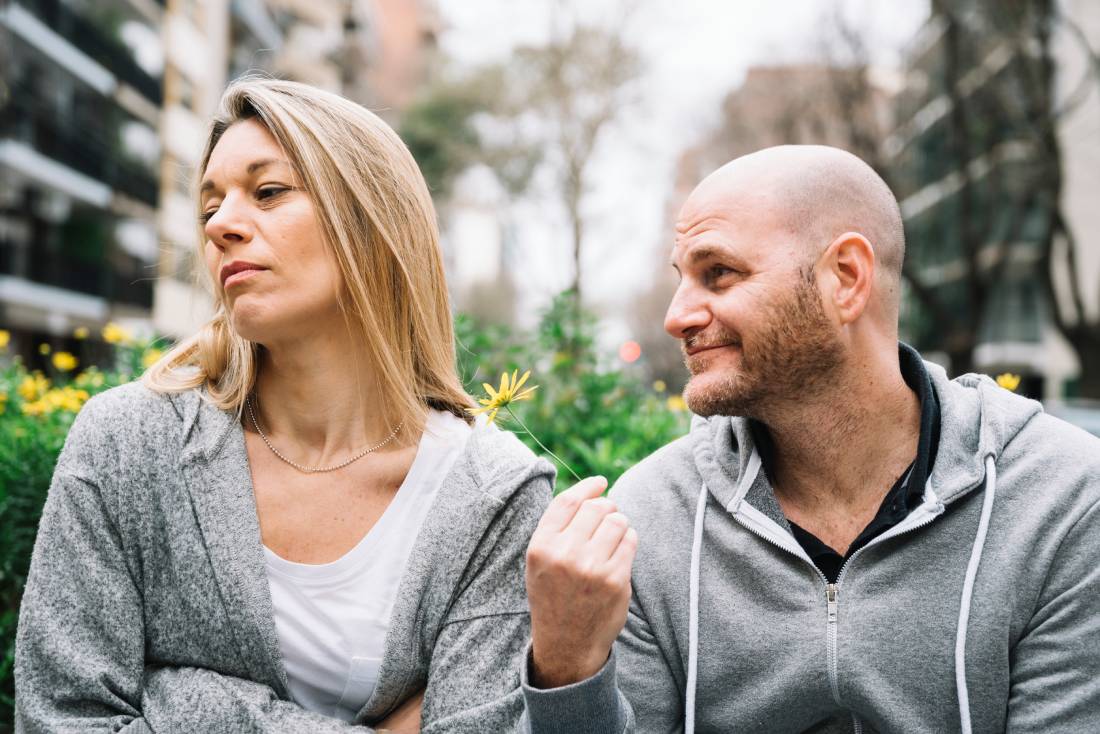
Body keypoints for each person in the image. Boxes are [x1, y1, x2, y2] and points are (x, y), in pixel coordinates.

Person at [15, 78, 554, 733]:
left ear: (372, 220)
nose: (220, 225)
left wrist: (174, 704)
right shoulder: (128, 442)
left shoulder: (492, 494)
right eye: (209, 205)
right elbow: (62, 718)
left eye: (267, 192)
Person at [520, 145, 1100, 733]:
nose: (677, 316)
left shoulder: (1061, 499)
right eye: (682, 280)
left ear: (845, 278)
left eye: (718, 273)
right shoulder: (650, 513)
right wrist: (567, 672)